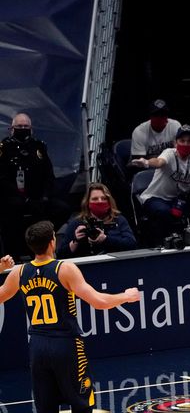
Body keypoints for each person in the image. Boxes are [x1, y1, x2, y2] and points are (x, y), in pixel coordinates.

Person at [0, 220, 140, 412]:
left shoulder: (19, 272)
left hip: (37, 346)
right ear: (52, 242)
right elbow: (99, 301)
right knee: (81, 404)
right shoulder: (64, 269)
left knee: (46, 408)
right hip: (65, 343)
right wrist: (126, 296)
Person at [0, 113, 71, 260]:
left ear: (31, 129)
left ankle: (42, 239)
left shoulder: (39, 146)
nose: (23, 128)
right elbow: (3, 180)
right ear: (11, 128)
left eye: (26, 126)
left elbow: (49, 175)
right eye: (19, 126)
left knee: (62, 209)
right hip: (14, 199)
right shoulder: (4, 148)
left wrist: (45, 197)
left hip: (38, 198)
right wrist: (23, 200)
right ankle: (16, 251)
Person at [132, 125, 190, 246]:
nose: (185, 144)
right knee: (164, 212)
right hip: (155, 197)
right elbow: (159, 162)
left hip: (178, 200)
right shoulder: (169, 153)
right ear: (175, 143)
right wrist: (147, 162)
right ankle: (162, 246)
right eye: (182, 141)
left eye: (189, 141)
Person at [56, 182, 137, 258]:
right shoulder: (77, 223)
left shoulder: (119, 220)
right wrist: (75, 242)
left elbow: (132, 245)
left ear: (109, 201)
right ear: (87, 203)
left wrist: (106, 239)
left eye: (104, 198)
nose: (100, 201)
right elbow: (60, 255)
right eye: (95, 199)